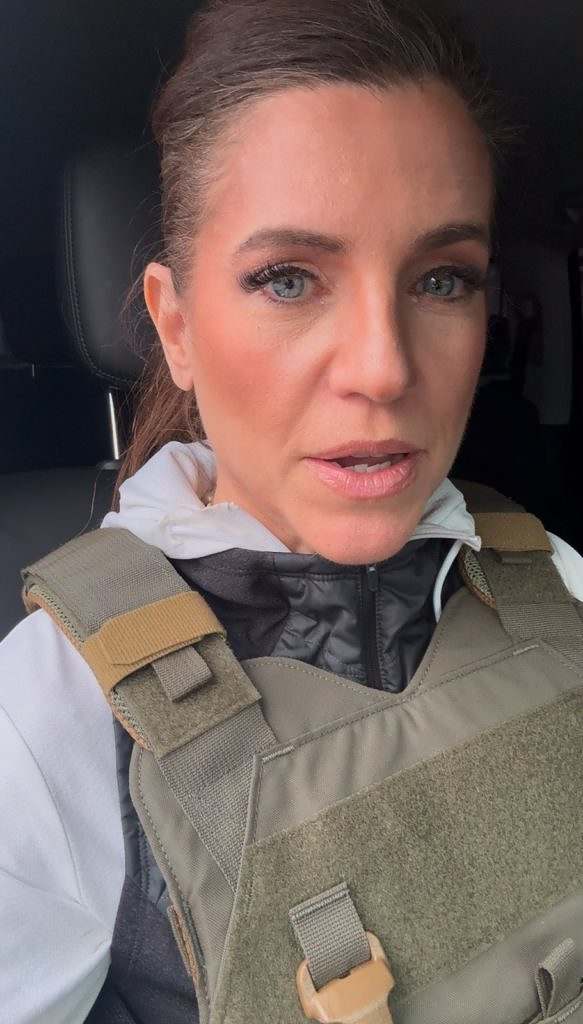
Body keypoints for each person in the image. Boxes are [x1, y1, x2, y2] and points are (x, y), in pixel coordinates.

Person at [2, 1, 583, 1022]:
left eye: (440, 279)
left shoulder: (555, 577)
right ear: (176, 326)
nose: (383, 368)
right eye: (287, 280)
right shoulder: (53, 715)